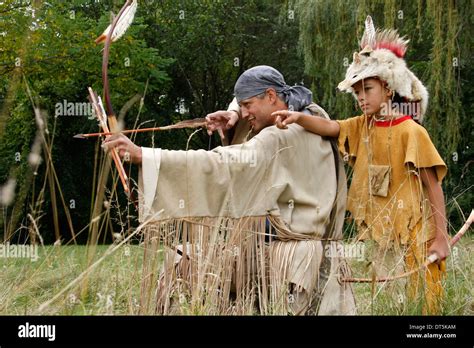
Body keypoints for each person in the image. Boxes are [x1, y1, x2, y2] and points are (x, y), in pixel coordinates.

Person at [103, 65, 356, 315]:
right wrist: (234, 116)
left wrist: (144, 157)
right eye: (242, 106)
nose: (245, 113)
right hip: (313, 254)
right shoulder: (313, 115)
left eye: (248, 105)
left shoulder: (279, 136)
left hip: (288, 260)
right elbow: (263, 104)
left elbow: (223, 165)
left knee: (180, 262)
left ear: (270, 96)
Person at [270, 17, 449, 314]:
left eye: (368, 89)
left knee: (424, 309)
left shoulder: (411, 132)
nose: (361, 98)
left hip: (418, 236)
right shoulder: (362, 127)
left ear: (388, 88)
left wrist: (441, 239)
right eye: (356, 93)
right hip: (383, 238)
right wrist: (298, 117)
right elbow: (330, 127)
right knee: (389, 303)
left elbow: (433, 187)